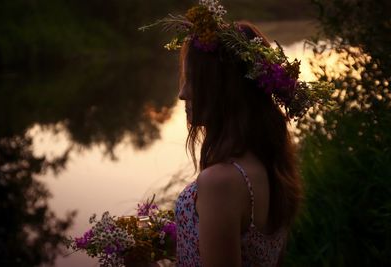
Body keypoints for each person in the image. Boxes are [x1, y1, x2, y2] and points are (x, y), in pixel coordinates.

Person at [140, 1, 332, 266]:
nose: (182, 94)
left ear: (224, 89)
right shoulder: (269, 166)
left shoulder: (221, 183)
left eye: (193, 80)